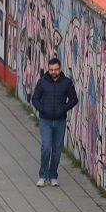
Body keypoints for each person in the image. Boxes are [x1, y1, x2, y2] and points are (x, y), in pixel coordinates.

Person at [30, 56, 78, 187]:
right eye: (51, 70)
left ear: (60, 69)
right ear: (48, 69)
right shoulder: (42, 82)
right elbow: (35, 99)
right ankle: (42, 175)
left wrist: (63, 109)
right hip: (45, 121)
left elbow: (74, 99)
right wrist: (42, 110)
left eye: (56, 69)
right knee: (46, 147)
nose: (53, 72)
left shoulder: (67, 83)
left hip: (60, 121)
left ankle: (53, 176)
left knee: (57, 150)